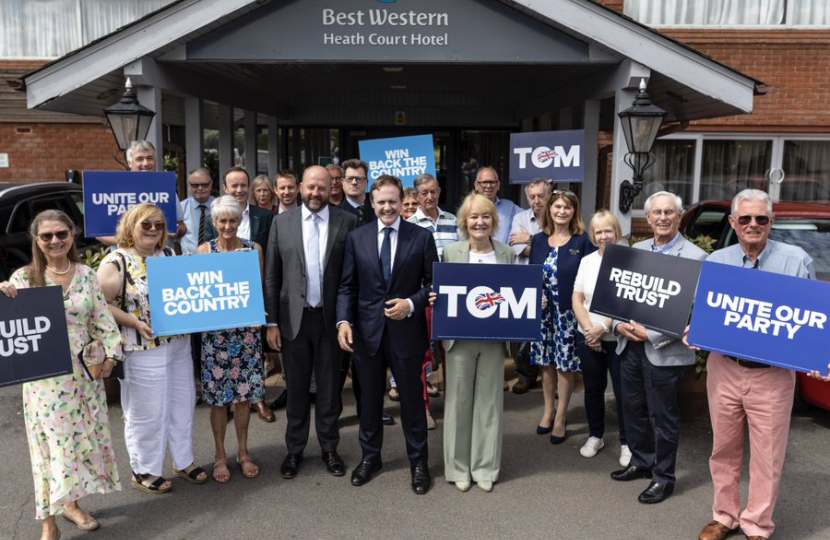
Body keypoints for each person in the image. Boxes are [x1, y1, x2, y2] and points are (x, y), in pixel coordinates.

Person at [688, 189, 815, 540]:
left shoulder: (796, 260)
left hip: (772, 375)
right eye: (745, 219)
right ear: (733, 222)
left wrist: (818, 354)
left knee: (768, 455)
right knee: (723, 449)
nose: (753, 224)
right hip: (725, 369)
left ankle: (757, 522)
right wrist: (693, 330)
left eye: (761, 218)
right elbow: (703, 313)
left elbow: (812, 318)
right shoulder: (716, 263)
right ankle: (725, 516)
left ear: (771, 222)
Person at [0, 210, 123, 540]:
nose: (55, 241)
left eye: (61, 234)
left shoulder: (86, 274)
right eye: (47, 236)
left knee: (77, 444)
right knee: (51, 448)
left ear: (72, 235)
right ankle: (48, 523)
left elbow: (102, 321)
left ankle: (72, 504)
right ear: (36, 241)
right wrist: (3, 296)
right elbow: (9, 327)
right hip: (45, 380)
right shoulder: (23, 279)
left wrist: (110, 357)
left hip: (85, 376)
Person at [336, 174, 438, 495]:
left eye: (393, 201)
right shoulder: (357, 238)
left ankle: (419, 463)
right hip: (367, 335)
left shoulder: (421, 238)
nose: (387, 207)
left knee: (411, 402)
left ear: (402, 200)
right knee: (368, 403)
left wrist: (410, 303)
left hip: (408, 333)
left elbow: (433, 284)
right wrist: (343, 321)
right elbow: (347, 287)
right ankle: (370, 458)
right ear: (371, 201)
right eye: (381, 201)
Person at [97, 203, 207, 494]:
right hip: (142, 349)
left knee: (182, 405)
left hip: (178, 344)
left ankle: (183, 460)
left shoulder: (169, 254)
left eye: (159, 225)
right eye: (146, 224)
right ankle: (144, 470)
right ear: (131, 226)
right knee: (147, 412)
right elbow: (99, 304)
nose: (154, 230)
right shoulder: (116, 262)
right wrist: (132, 322)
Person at [610, 191, 706, 505]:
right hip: (629, 345)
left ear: (679, 217)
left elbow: (693, 313)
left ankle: (663, 477)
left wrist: (650, 333)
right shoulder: (635, 250)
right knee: (632, 409)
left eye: (669, 212)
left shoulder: (695, 257)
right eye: (657, 213)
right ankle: (640, 461)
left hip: (663, 349)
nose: (663, 218)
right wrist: (617, 325)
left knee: (662, 417)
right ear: (647, 218)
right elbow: (619, 296)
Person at [264, 165, 356, 480]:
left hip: (331, 321)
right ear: (301, 187)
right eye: (310, 187)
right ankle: (295, 450)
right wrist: (272, 322)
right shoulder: (281, 222)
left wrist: (347, 319)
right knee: (298, 389)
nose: (315, 193)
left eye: (322, 187)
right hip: (294, 320)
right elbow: (272, 276)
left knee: (330, 391)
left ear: (332, 187)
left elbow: (350, 277)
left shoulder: (347, 221)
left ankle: (330, 448)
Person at [439, 193, 514, 493]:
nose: (479, 222)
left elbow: (513, 293)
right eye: (473, 217)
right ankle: (458, 467)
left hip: (494, 341)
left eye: (485, 216)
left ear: (493, 221)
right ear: (464, 222)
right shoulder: (450, 251)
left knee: (489, 405)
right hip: (460, 341)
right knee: (457, 403)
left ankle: (484, 467)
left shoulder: (506, 252)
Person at [195, 195, 266, 482]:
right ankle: (219, 455)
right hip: (216, 335)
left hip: (247, 334)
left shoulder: (253, 249)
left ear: (240, 221)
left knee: (244, 398)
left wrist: (259, 315)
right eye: (222, 220)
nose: (227, 225)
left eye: (233, 220)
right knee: (217, 399)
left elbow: (257, 289)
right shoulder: (203, 251)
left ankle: (244, 452)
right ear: (214, 223)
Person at [204, 167, 274, 421]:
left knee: (248, 382)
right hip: (217, 327)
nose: (239, 189)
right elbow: (201, 280)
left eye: (244, 184)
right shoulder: (207, 244)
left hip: (247, 323)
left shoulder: (260, 228)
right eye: (234, 185)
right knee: (220, 396)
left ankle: (258, 402)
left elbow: (262, 279)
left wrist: (262, 312)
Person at [529, 190, 595, 445]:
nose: (561, 211)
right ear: (549, 209)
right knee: (545, 362)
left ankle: (562, 415)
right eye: (557, 206)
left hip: (568, 314)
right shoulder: (537, 240)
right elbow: (530, 276)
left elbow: (589, 278)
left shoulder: (582, 241)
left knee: (565, 365)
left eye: (567, 207)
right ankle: (548, 409)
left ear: (573, 212)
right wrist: (536, 294)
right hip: (542, 314)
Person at [572, 210, 629, 466]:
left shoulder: (629, 261)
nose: (604, 235)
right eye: (599, 231)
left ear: (616, 231)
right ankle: (596, 435)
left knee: (622, 392)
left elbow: (627, 302)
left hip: (616, 338)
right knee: (593, 390)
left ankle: (627, 442)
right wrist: (588, 329)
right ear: (593, 236)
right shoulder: (587, 261)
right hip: (588, 338)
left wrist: (602, 328)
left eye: (608, 230)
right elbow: (577, 298)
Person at [97, 140, 187, 246]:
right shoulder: (114, 189)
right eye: (140, 159)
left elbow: (182, 226)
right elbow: (100, 233)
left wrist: (176, 232)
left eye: (150, 158)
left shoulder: (165, 188)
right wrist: (134, 243)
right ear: (129, 163)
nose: (146, 163)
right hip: (127, 258)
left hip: (160, 257)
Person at [508, 178, 551, 394]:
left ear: (548, 196)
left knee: (548, 328)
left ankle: (550, 376)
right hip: (524, 279)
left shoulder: (558, 216)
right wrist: (542, 243)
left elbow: (560, 247)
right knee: (522, 329)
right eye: (532, 196)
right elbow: (517, 248)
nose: (536, 200)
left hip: (552, 281)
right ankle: (525, 376)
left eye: (541, 196)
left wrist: (530, 240)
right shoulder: (520, 218)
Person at [473, 166, 520, 244]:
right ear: (476, 185)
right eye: (484, 182)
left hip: (502, 255)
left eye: (492, 182)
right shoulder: (469, 208)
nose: (488, 186)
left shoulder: (509, 207)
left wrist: (528, 238)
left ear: (498, 184)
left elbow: (532, 216)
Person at [180, 167, 215, 254]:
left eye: (204, 184)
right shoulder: (180, 208)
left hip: (215, 258)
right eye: (195, 185)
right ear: (188, 186)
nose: (200, 188)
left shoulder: (220, 207)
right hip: (188, 260)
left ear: (211, 185)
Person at [337, 158, 376, 227]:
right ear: (342, 182)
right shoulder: (334, 214)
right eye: (349, 179)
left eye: (359, 179)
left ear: (366, 182)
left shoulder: (377, 209)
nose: (354, 182)